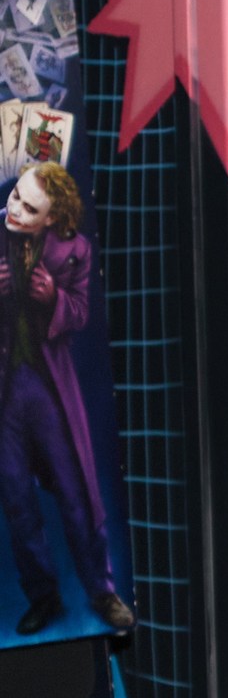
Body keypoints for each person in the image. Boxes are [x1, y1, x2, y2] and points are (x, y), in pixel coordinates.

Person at [0, 162, 127, 637]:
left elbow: (79, 313)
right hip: (5, 388)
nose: (14, 208)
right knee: (16, 496)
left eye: (28, 207)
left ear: (51, 218)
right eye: (15, 196)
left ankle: (102, 591)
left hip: (49, 386)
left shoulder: (75, 250)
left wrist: (53, 297)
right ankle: (43, 595)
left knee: (77, 493)